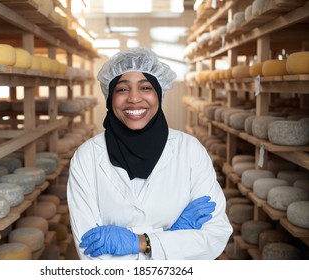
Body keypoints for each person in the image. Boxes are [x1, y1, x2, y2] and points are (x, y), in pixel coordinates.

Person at [67, 47, 232, 260]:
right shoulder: (87, 157)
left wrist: (140, 243)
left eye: (145, 87)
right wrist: (171, 240)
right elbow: (90, 253)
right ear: (110, 98)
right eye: (122, 89)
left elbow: (214, 236)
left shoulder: (190, 151)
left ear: (159, 93)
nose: (134, 99)